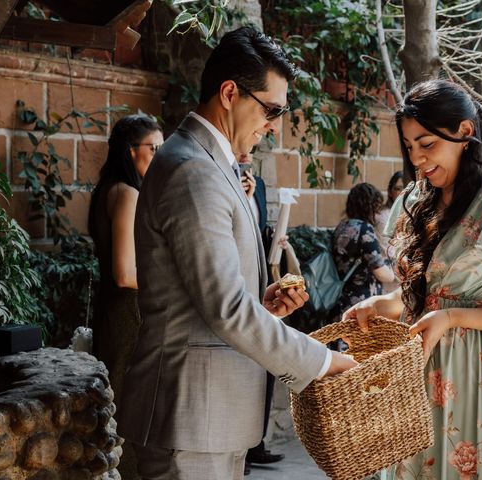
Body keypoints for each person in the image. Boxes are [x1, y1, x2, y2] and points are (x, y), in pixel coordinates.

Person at [117, 27, 356, 480]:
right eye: (271, 110)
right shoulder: (194, 170)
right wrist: (321, 362)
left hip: (209, 417)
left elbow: (210, 295)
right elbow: (225, 309)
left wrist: (260, 304)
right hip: (190, 417)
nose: (274, 125)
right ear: (230, 93)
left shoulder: (207, 164)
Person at [343, 79, 482, 480]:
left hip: (477, 378)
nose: (418, 158)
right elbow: (429, 301)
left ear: (464, 132)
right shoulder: (413, 201)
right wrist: (383, 305)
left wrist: (454, 318)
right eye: (409, 147)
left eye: (427, 144)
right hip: (417, 373)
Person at [87, 114, 162, 480]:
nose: (160, 156)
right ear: (132, 152)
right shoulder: (127, 193)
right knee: (128, 415)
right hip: (126, 314)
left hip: (114, 311)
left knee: (120, 411)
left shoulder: (110, 189)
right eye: (154, 149)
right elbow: (124, 273)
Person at [236, 153, 285, 474]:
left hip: (260, 284)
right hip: (236, 288)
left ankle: (256, 444)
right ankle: (241, 448)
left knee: (262, 370)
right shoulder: (218, 177)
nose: (247, 159)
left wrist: (277, 240)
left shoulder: (261, 185)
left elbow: (259, 230)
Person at [331, 182, 394, 325]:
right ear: (369, 206)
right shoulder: (365, 230)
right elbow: (381, 272)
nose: (378, 212)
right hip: (361, 302)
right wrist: (395, 274)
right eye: (376, 207)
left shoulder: (341, 227)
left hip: (341, 299)